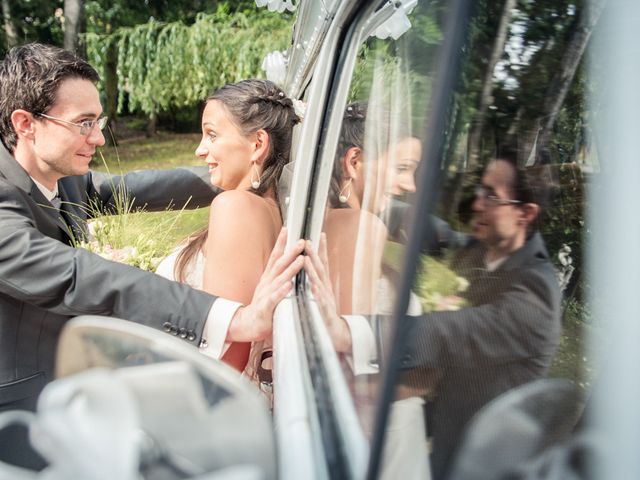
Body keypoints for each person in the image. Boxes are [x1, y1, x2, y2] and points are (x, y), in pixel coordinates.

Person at [0, 43, 304, 468]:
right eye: (84, 123)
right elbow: (75, 275)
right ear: (25, 124)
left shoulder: (65, 179)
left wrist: (245, 171)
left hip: (79, 383)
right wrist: (230, 318)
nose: (99, 138)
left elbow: (140, 187)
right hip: (14, 406)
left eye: (99, 121)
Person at [305, 153, 562, 480]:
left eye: (492, 197)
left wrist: (348, 332)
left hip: (478, 464)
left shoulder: (535, 297)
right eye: (480, 191)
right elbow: (430, 231)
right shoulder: (484, 250)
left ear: (526, 213)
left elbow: (445, 331)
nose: (477, 204)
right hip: (438, 436)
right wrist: (368, 205)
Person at [156, 79, 300, 377]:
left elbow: (228, 353)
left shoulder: (236, 207)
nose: (199, 149)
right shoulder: (269, 210)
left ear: (257, 144)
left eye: (211, 135)